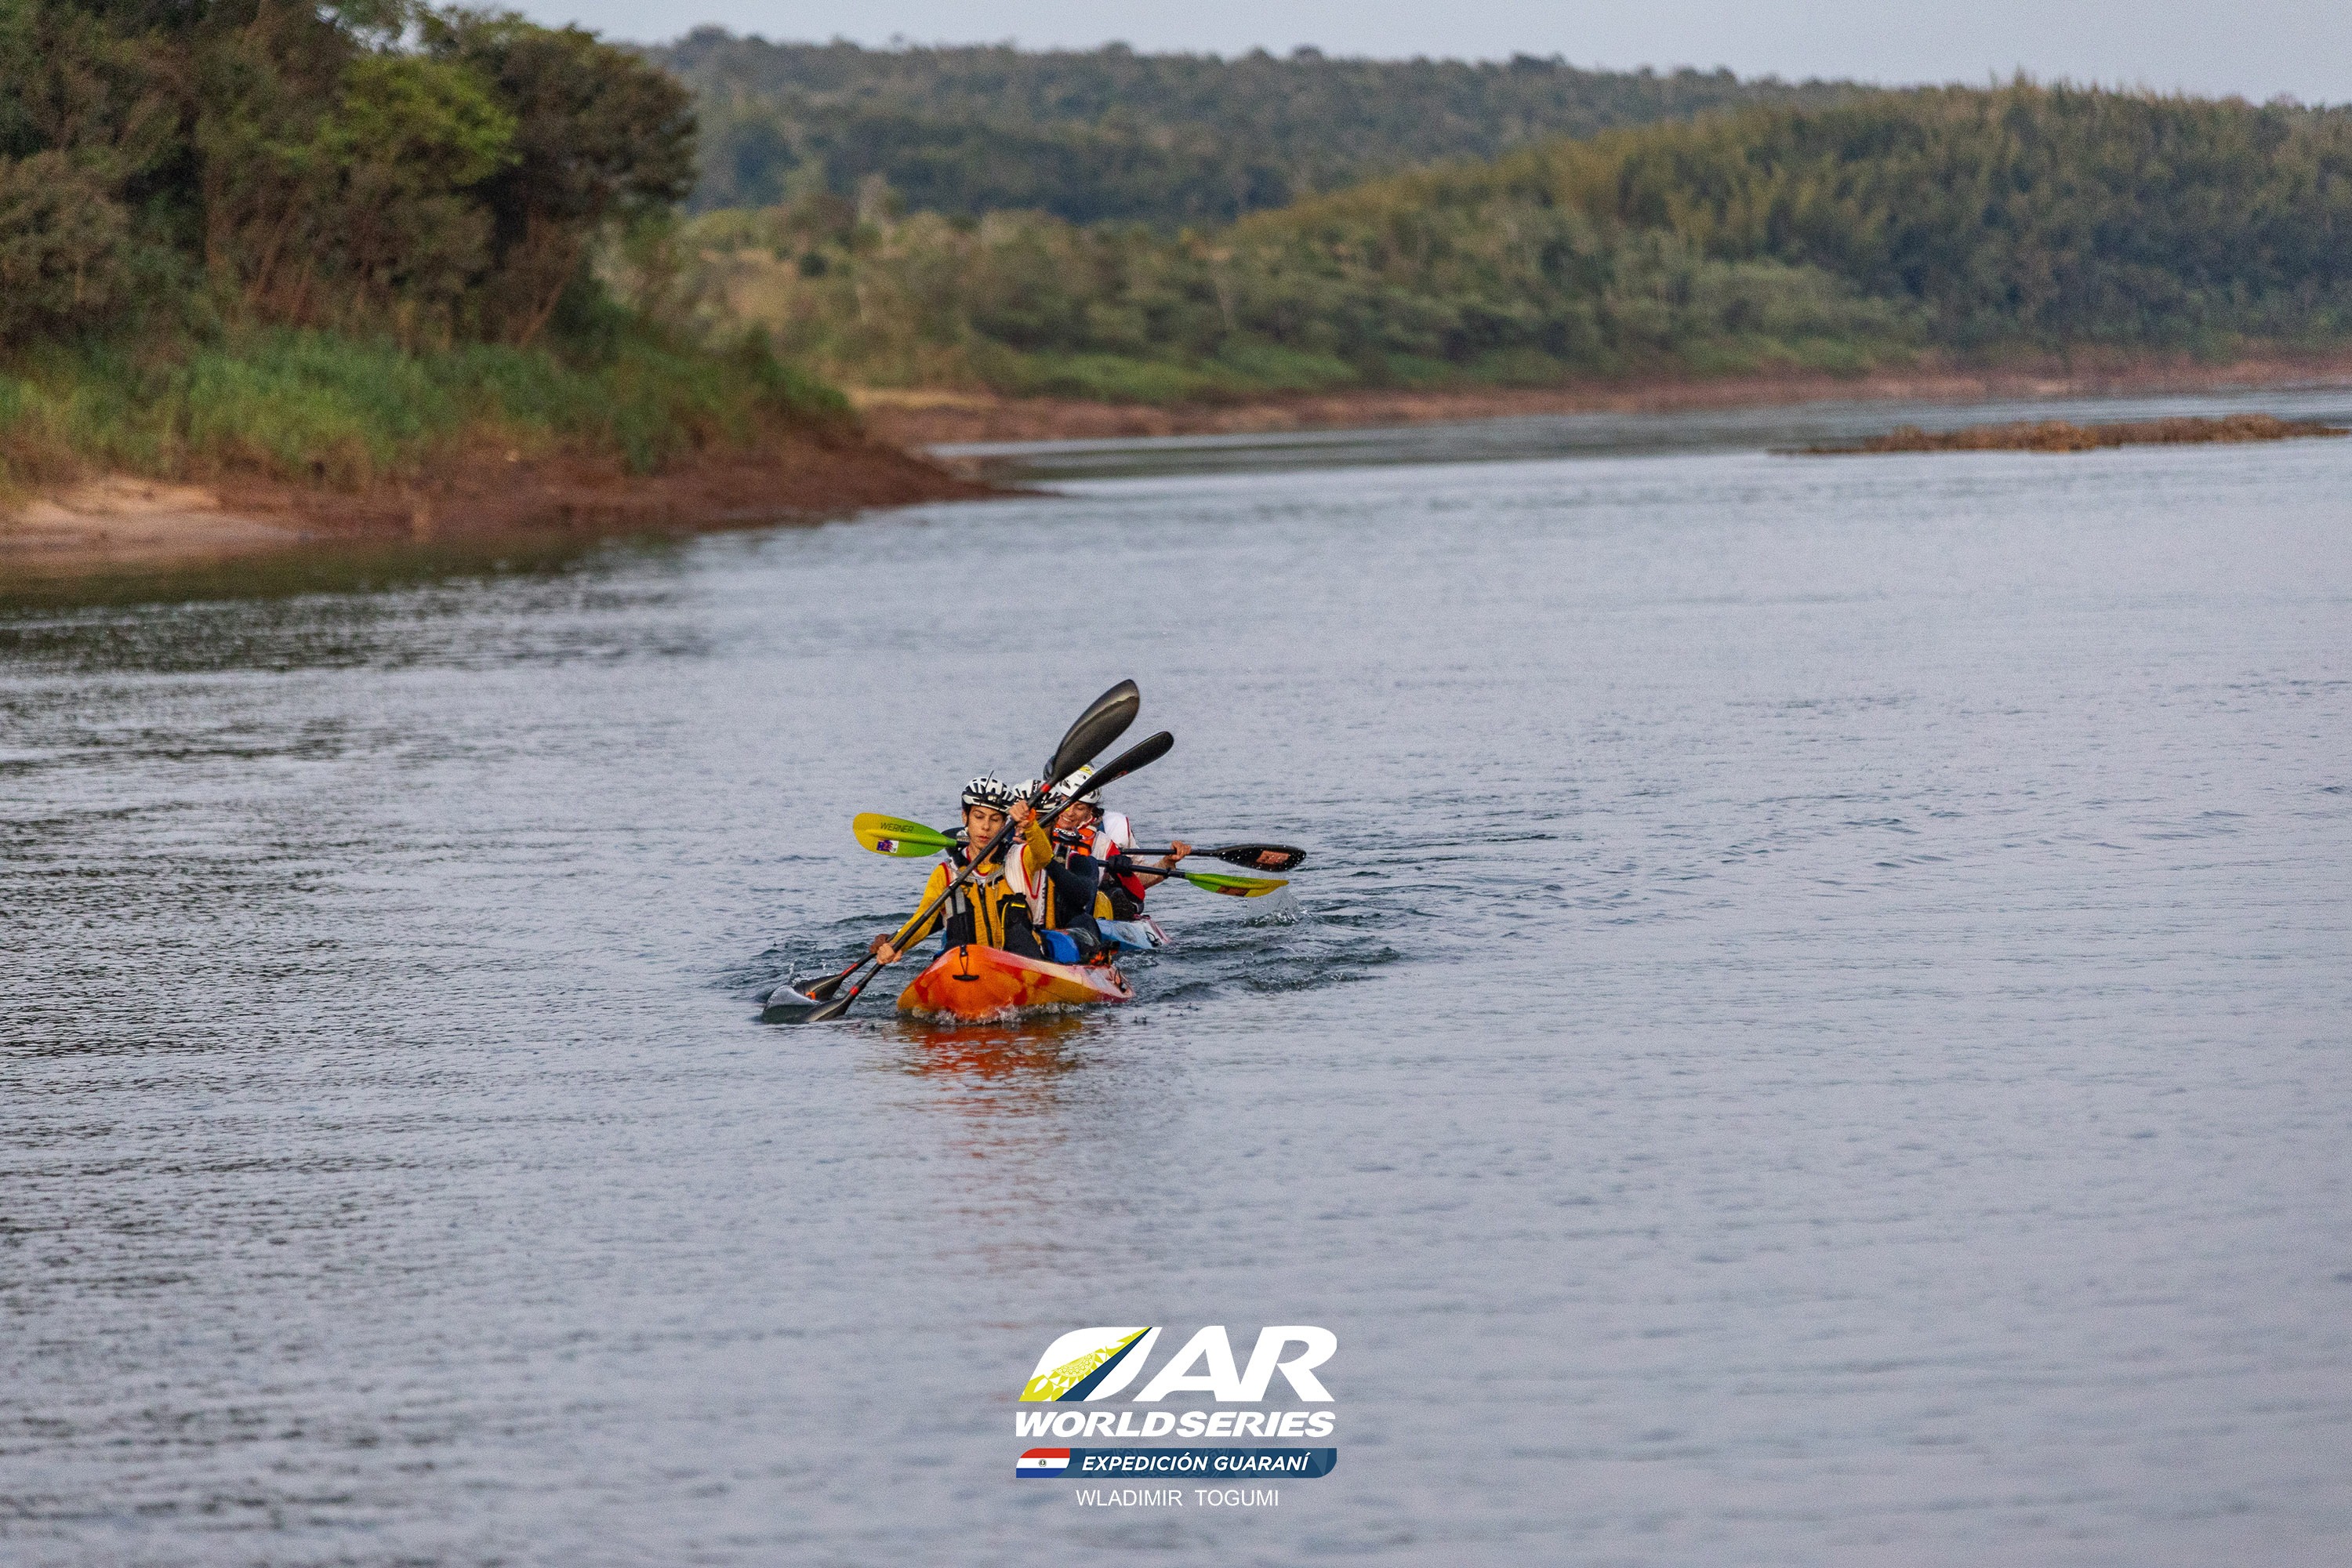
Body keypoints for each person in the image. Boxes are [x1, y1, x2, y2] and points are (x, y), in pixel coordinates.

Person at [869, 776, 1052, 967]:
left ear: (1004, 823)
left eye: (995, 819)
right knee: (957, 930)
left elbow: (1045, 856)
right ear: (965, 817)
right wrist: (898, 944)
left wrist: (1030, 824)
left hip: (1020, 964)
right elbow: (924, 919)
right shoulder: (947, 872)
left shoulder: (1020, 857)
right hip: (967, 968)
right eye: (979, 817)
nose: (986, 827)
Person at [1050, 782, 1189, 923]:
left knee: (1105, 884)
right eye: (1064, 803)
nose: (1069, 812)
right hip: (1044, 900)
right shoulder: (1040, 828)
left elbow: (1138, 889)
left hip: (1083, 909)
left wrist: (1125, 873)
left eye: (1079, 808)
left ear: (1090, 810)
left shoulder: (1103, 840)